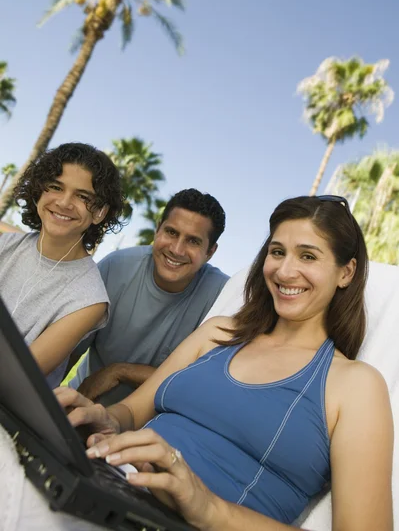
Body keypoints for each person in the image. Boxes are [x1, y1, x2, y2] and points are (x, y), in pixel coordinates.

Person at [59, 195, 394, 531]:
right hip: (112, 490)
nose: (285, 270)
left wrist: (207, 508)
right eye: (277, 252)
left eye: (308, 256)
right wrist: (104, 419)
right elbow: (131, 412)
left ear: (346, 272)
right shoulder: (219, 332)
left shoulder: (356, 385)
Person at [70, 188, 229, 405]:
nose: (177, 249)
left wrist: (121, 371)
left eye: (193, 241)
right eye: (171, 232)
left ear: (210, 252)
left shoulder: (221, 297)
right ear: (157, 230)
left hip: (149, 430)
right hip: (81, 403)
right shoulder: (116, 268)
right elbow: (69, 348)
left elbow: (200, 384)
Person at [0, 142, 124, 388]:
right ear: (39, 191)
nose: (64, 202)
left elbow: (20, 376)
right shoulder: (6, 244)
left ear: (99, 212)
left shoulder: (89, 300)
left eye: (82, 196)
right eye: (56, 187)